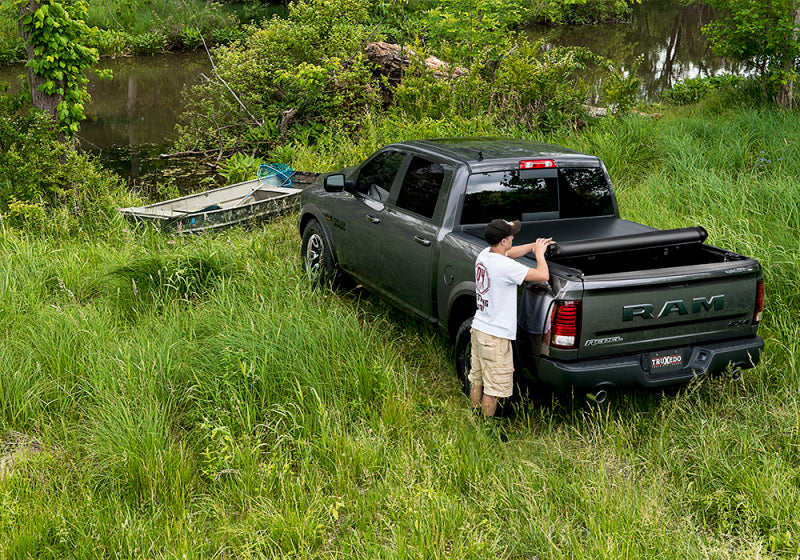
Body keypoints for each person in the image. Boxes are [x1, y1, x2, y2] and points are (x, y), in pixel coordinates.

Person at [470, 218, 553, 421]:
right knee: (494, 388)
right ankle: (487, 429)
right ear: (504, 241)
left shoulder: (485, 255)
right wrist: (540, 254)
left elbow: (510, 253)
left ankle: (474, 419)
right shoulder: (506, 267)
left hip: (479, 329)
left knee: (477, 379)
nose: (514, 237)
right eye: (511, 236)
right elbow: (543, 275)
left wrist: (533, 246)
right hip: (496, 338)